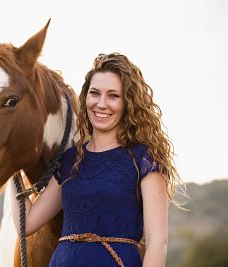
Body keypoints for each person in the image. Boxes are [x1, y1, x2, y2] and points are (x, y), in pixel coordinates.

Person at [10, 53, 184, 267]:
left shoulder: (145, 159)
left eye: (113, 96)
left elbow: (158, 242)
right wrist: (12, 166)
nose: (101, 104)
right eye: (95, 93)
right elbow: (26, 224)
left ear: (128, 102)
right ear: (86, 97)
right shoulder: (71, 159)